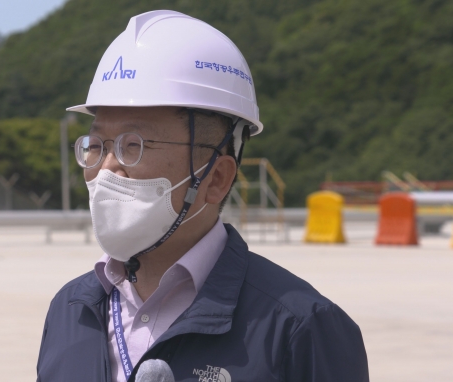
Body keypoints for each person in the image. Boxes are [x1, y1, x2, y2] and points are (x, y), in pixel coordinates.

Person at [36, 10, 369, 382]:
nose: (106, 168)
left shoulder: (299, 327)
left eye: (134, 145)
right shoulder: (70, 309)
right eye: (96, 145)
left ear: (217, 177)